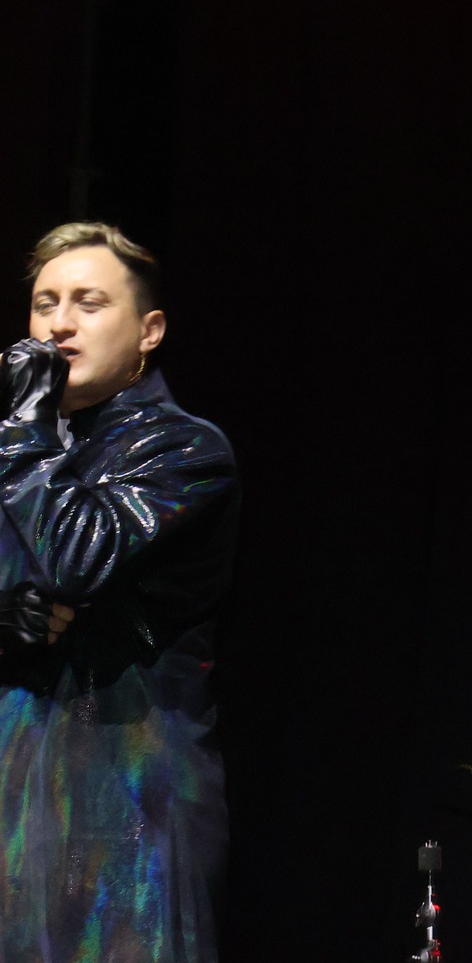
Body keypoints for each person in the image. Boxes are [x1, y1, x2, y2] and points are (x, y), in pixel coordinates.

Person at [0, 221, 240, 963]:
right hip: (17, 781)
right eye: (45, 303)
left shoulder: (185, 449)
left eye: (88, 301)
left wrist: (24, 430)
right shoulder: (22, 451)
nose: (59, 323)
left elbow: (75, 558)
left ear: (149, 330)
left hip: (128, 789)